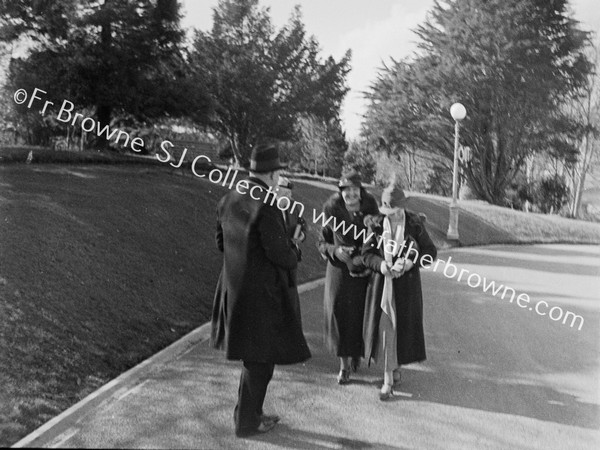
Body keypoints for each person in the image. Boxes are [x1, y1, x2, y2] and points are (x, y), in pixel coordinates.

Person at [210, 143, 311, 437]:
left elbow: (221, 243)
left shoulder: (229, 198)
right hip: (261, 295)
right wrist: (295, 245)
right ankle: (246, 422)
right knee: (260, 361)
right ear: (271, 174)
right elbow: (280, 254)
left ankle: (251, 414)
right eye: (278, 171)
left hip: (233, 291)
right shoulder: (267, 203)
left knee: (256, 359)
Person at [361, 182, 437, 400]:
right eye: (388, 212)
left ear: (402, 207)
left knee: (400, 330)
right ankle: (387, 381)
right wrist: (382, 265)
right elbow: (366, 254)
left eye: (394, 212)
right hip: (383, 287)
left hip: (406, 289)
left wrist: (411, 262)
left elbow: (430, 252)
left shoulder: (414, 225)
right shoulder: (375, 226)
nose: (391, 216)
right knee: (386, 330)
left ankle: (394, 368)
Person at [318, 169, 379, 384]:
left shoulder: (371, 210)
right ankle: (343, 366)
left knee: (359, 315)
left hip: (362, 269)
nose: (351, 194)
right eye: (346, 190)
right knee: (340, 314)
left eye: (355, 190)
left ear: (361, 192)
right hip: (339, 270)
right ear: (340, 192)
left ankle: (356, 354)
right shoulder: (331, 211)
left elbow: (378, 239)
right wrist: (335, 250)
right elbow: (321, 242)